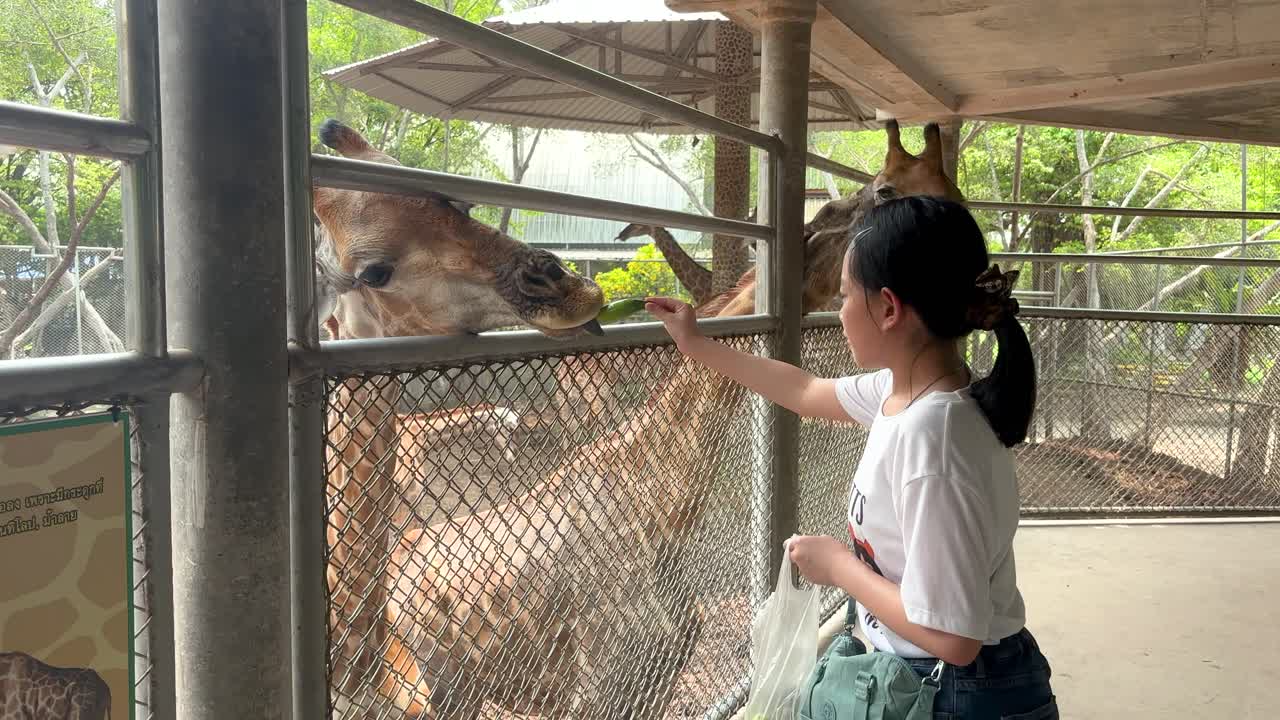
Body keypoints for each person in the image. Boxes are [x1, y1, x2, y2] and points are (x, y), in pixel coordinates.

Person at [645, 195, 1058, 719]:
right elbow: (805, 390)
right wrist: (698, 346)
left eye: (844, 296)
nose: (839, 313)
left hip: (959, 692)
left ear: (888, 308)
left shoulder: (932, 439)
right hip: (934, 680)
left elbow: (954, 637)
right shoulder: (903, 391)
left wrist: (840, 567)